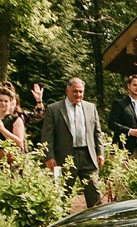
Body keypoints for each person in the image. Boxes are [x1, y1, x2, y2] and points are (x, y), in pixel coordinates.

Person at [41, 78, 105, 207]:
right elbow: (47, 135)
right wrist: (49, 156)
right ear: (67, 90)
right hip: (65, 157)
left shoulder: (90, 107)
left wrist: (100, 152)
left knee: (94, 193)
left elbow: (97, 132)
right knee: (62, 193)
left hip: (88, 156)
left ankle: (97, 223)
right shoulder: (54, 109)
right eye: (75, 91)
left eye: (81, 91)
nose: (78, 95)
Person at [108, 74, 137, 159]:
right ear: (128, 86)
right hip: (123, 151)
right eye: (135, 85)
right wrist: (130, 131)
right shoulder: (119, 104)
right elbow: (112, 123)